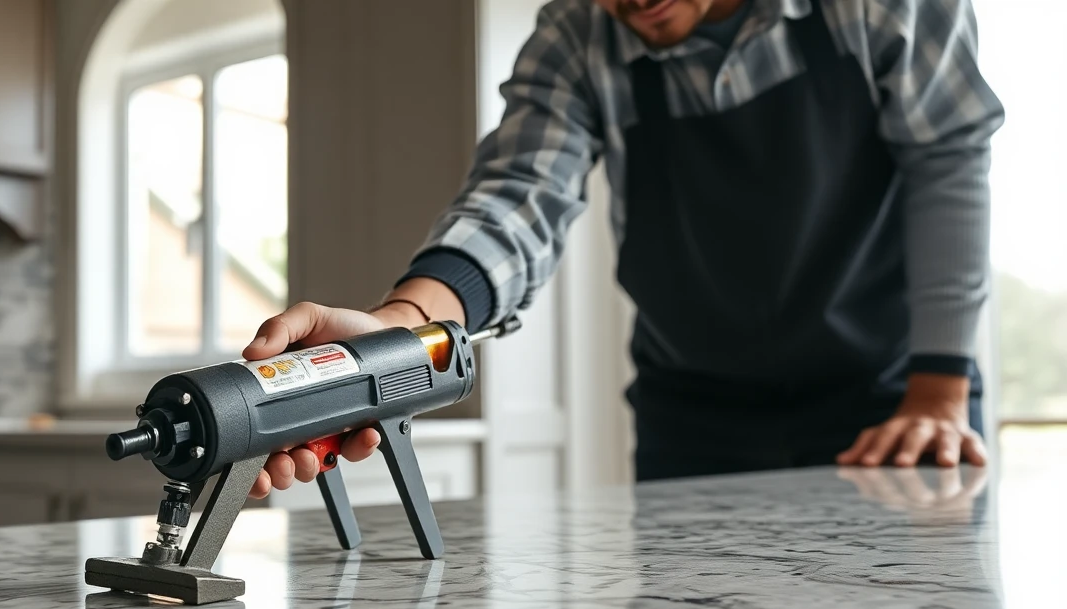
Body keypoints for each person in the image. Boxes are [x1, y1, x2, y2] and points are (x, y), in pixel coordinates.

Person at [242, 0, 1004, 497]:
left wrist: (939, 392)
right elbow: (517, 199)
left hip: (892, 401)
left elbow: (949, 160)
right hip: (695, 420)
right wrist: (402, 331)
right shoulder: (576, 38)